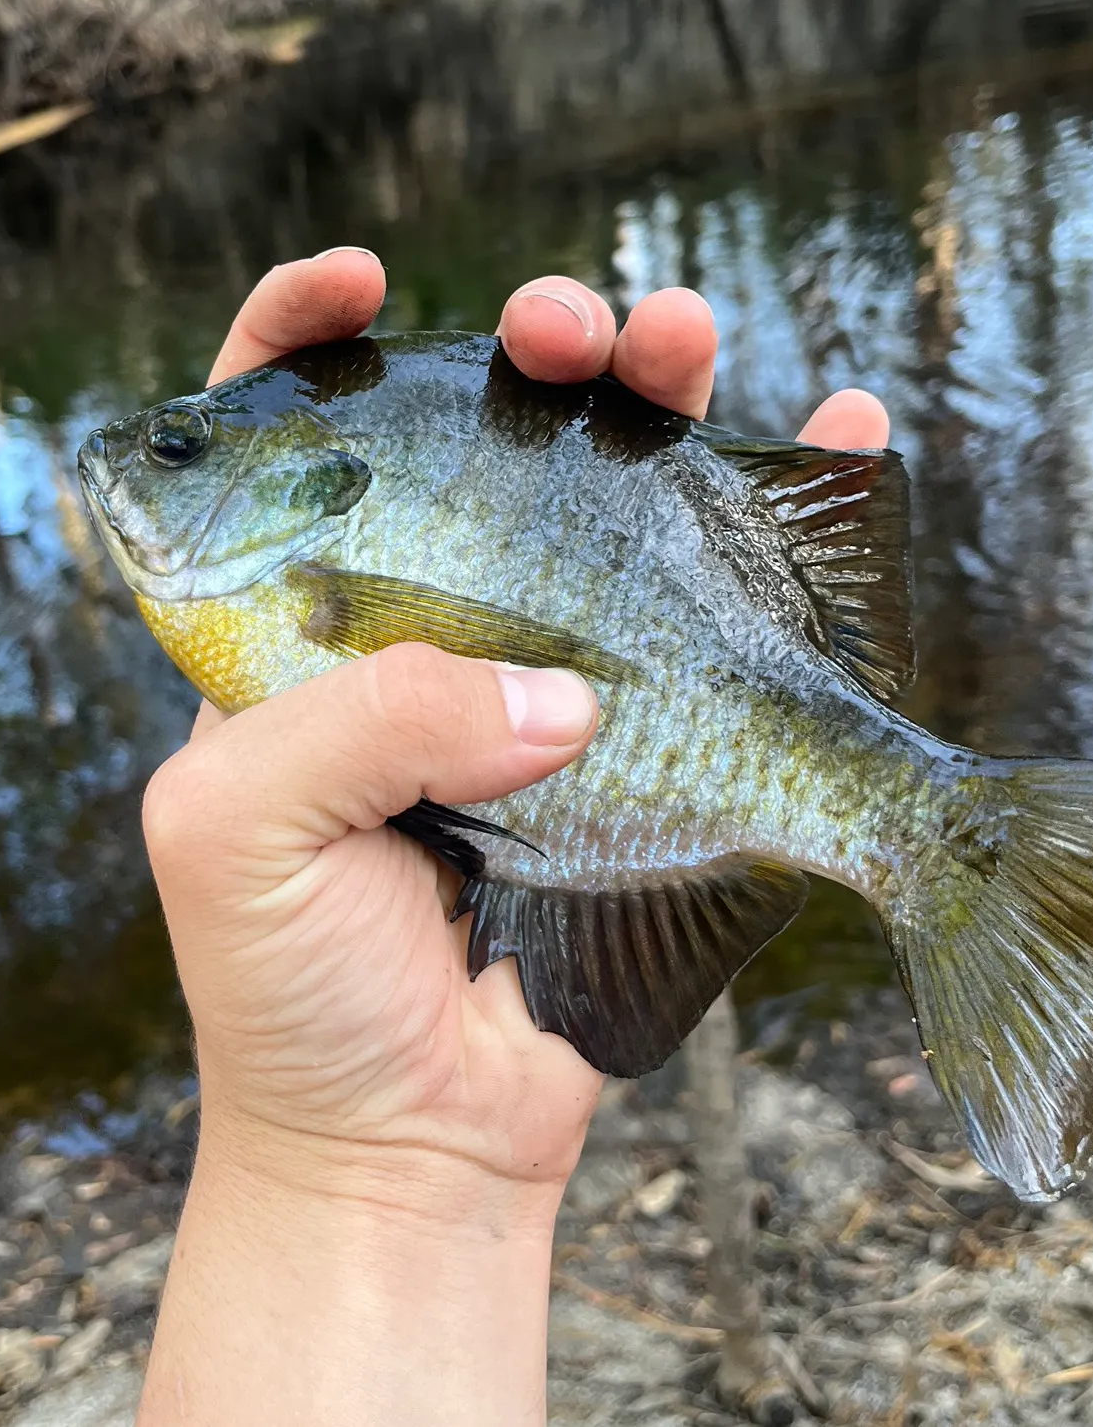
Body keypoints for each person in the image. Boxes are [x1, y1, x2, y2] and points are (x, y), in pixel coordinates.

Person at [134, 248, 890, 1426]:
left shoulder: (293, 579)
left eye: (177, 449)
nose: (140, 462)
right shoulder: (286, 584)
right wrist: (351, 1153)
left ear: (309, 482)